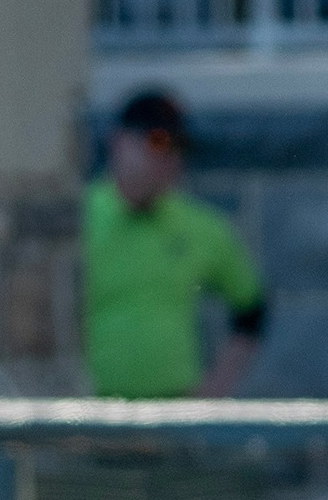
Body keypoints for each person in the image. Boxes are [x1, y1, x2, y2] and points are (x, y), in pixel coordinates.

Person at [82, 90, 266, 398]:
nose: (170, 156)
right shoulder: (78, 219)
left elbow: (251, 309)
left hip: (176, 409)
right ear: (120, 143)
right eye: (158, 142)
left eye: (179, 145)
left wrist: (215, 389)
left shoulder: (202, 227)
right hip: (89, 410)